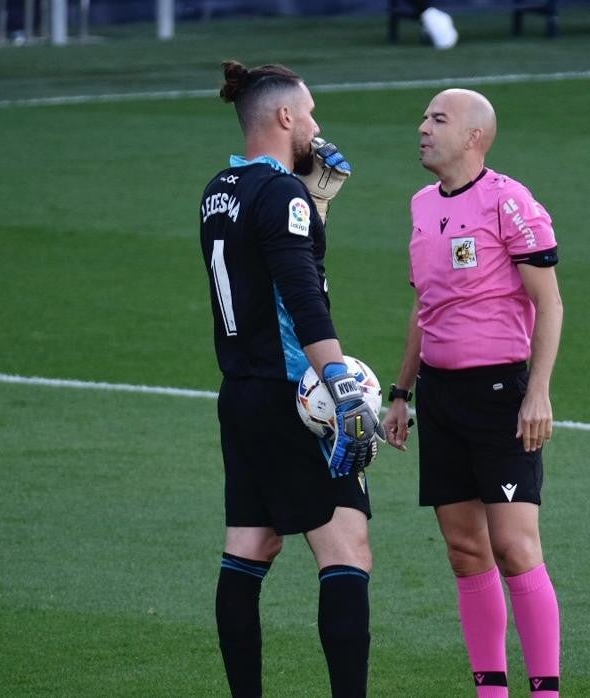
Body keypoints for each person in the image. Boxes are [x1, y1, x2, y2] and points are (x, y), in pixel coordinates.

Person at [200, 59, 383, 697]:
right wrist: (340, 383)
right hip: (292, 394)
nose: (315, 124)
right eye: (308, 112)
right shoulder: (283, 195)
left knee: (250, 546)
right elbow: (303, 298)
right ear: (283, 117)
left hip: (241, 395)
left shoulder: (220, 188)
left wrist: (316, 207)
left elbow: (266, 275)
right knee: (347, 550)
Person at [383, 88, 565, 697]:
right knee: (465, 549)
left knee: (515, 547)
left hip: (499, 396)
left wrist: (537, 393)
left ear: (473, 137)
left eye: (439, 119)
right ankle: (490, 691)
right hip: (440, 396)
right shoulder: (419, 205)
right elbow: (422, 305)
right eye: (424, 117)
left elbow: (549, 302)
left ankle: (545, 691)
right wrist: (401, 392)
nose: (423, 128)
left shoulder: (508, 203)